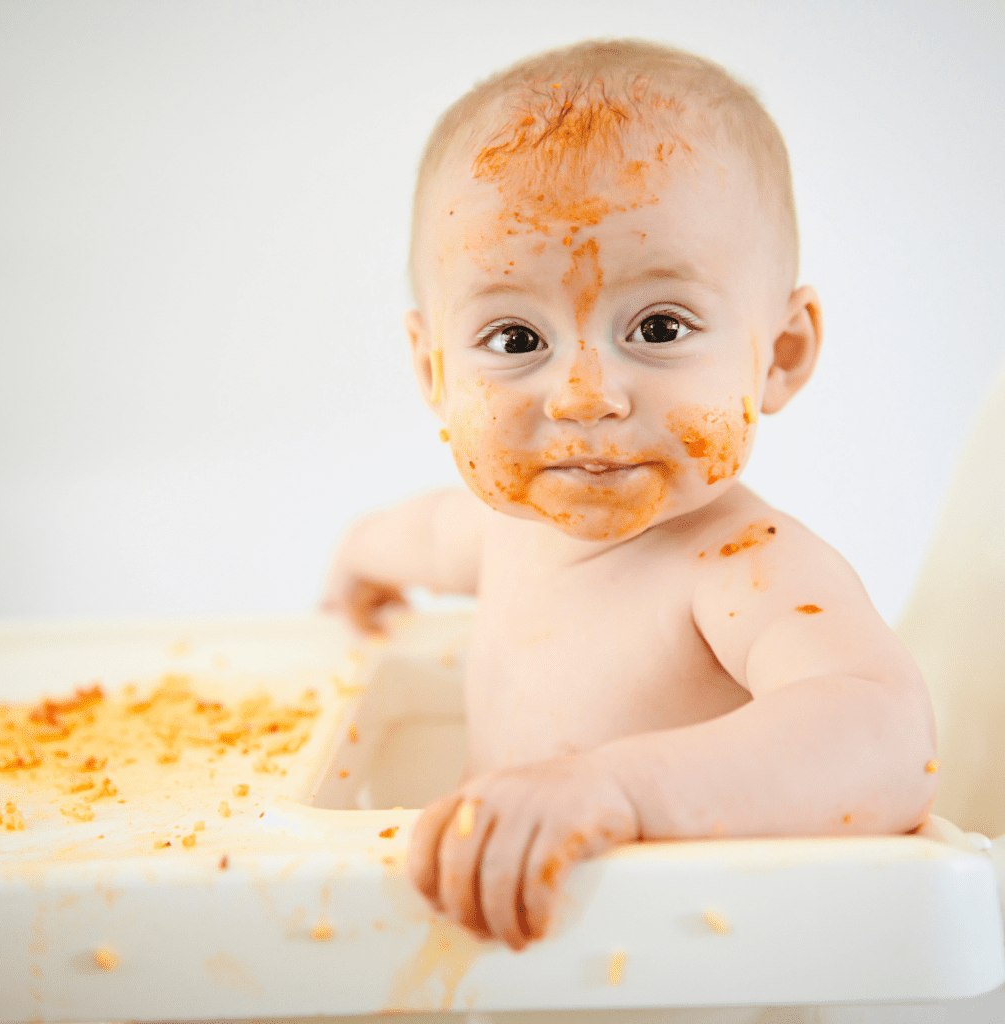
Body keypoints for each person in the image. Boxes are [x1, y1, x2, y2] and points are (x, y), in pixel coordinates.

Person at [323, 38, 937, 951]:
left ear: (780, 353)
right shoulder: (504, 529)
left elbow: (886, 737)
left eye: (657, 326)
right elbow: (410, 535)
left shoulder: (747, 571)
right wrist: (354, 567)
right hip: (517, 967)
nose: (584, 396)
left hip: (695, 977)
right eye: (515, 338)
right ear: (432, 367)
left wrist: (621, 789)